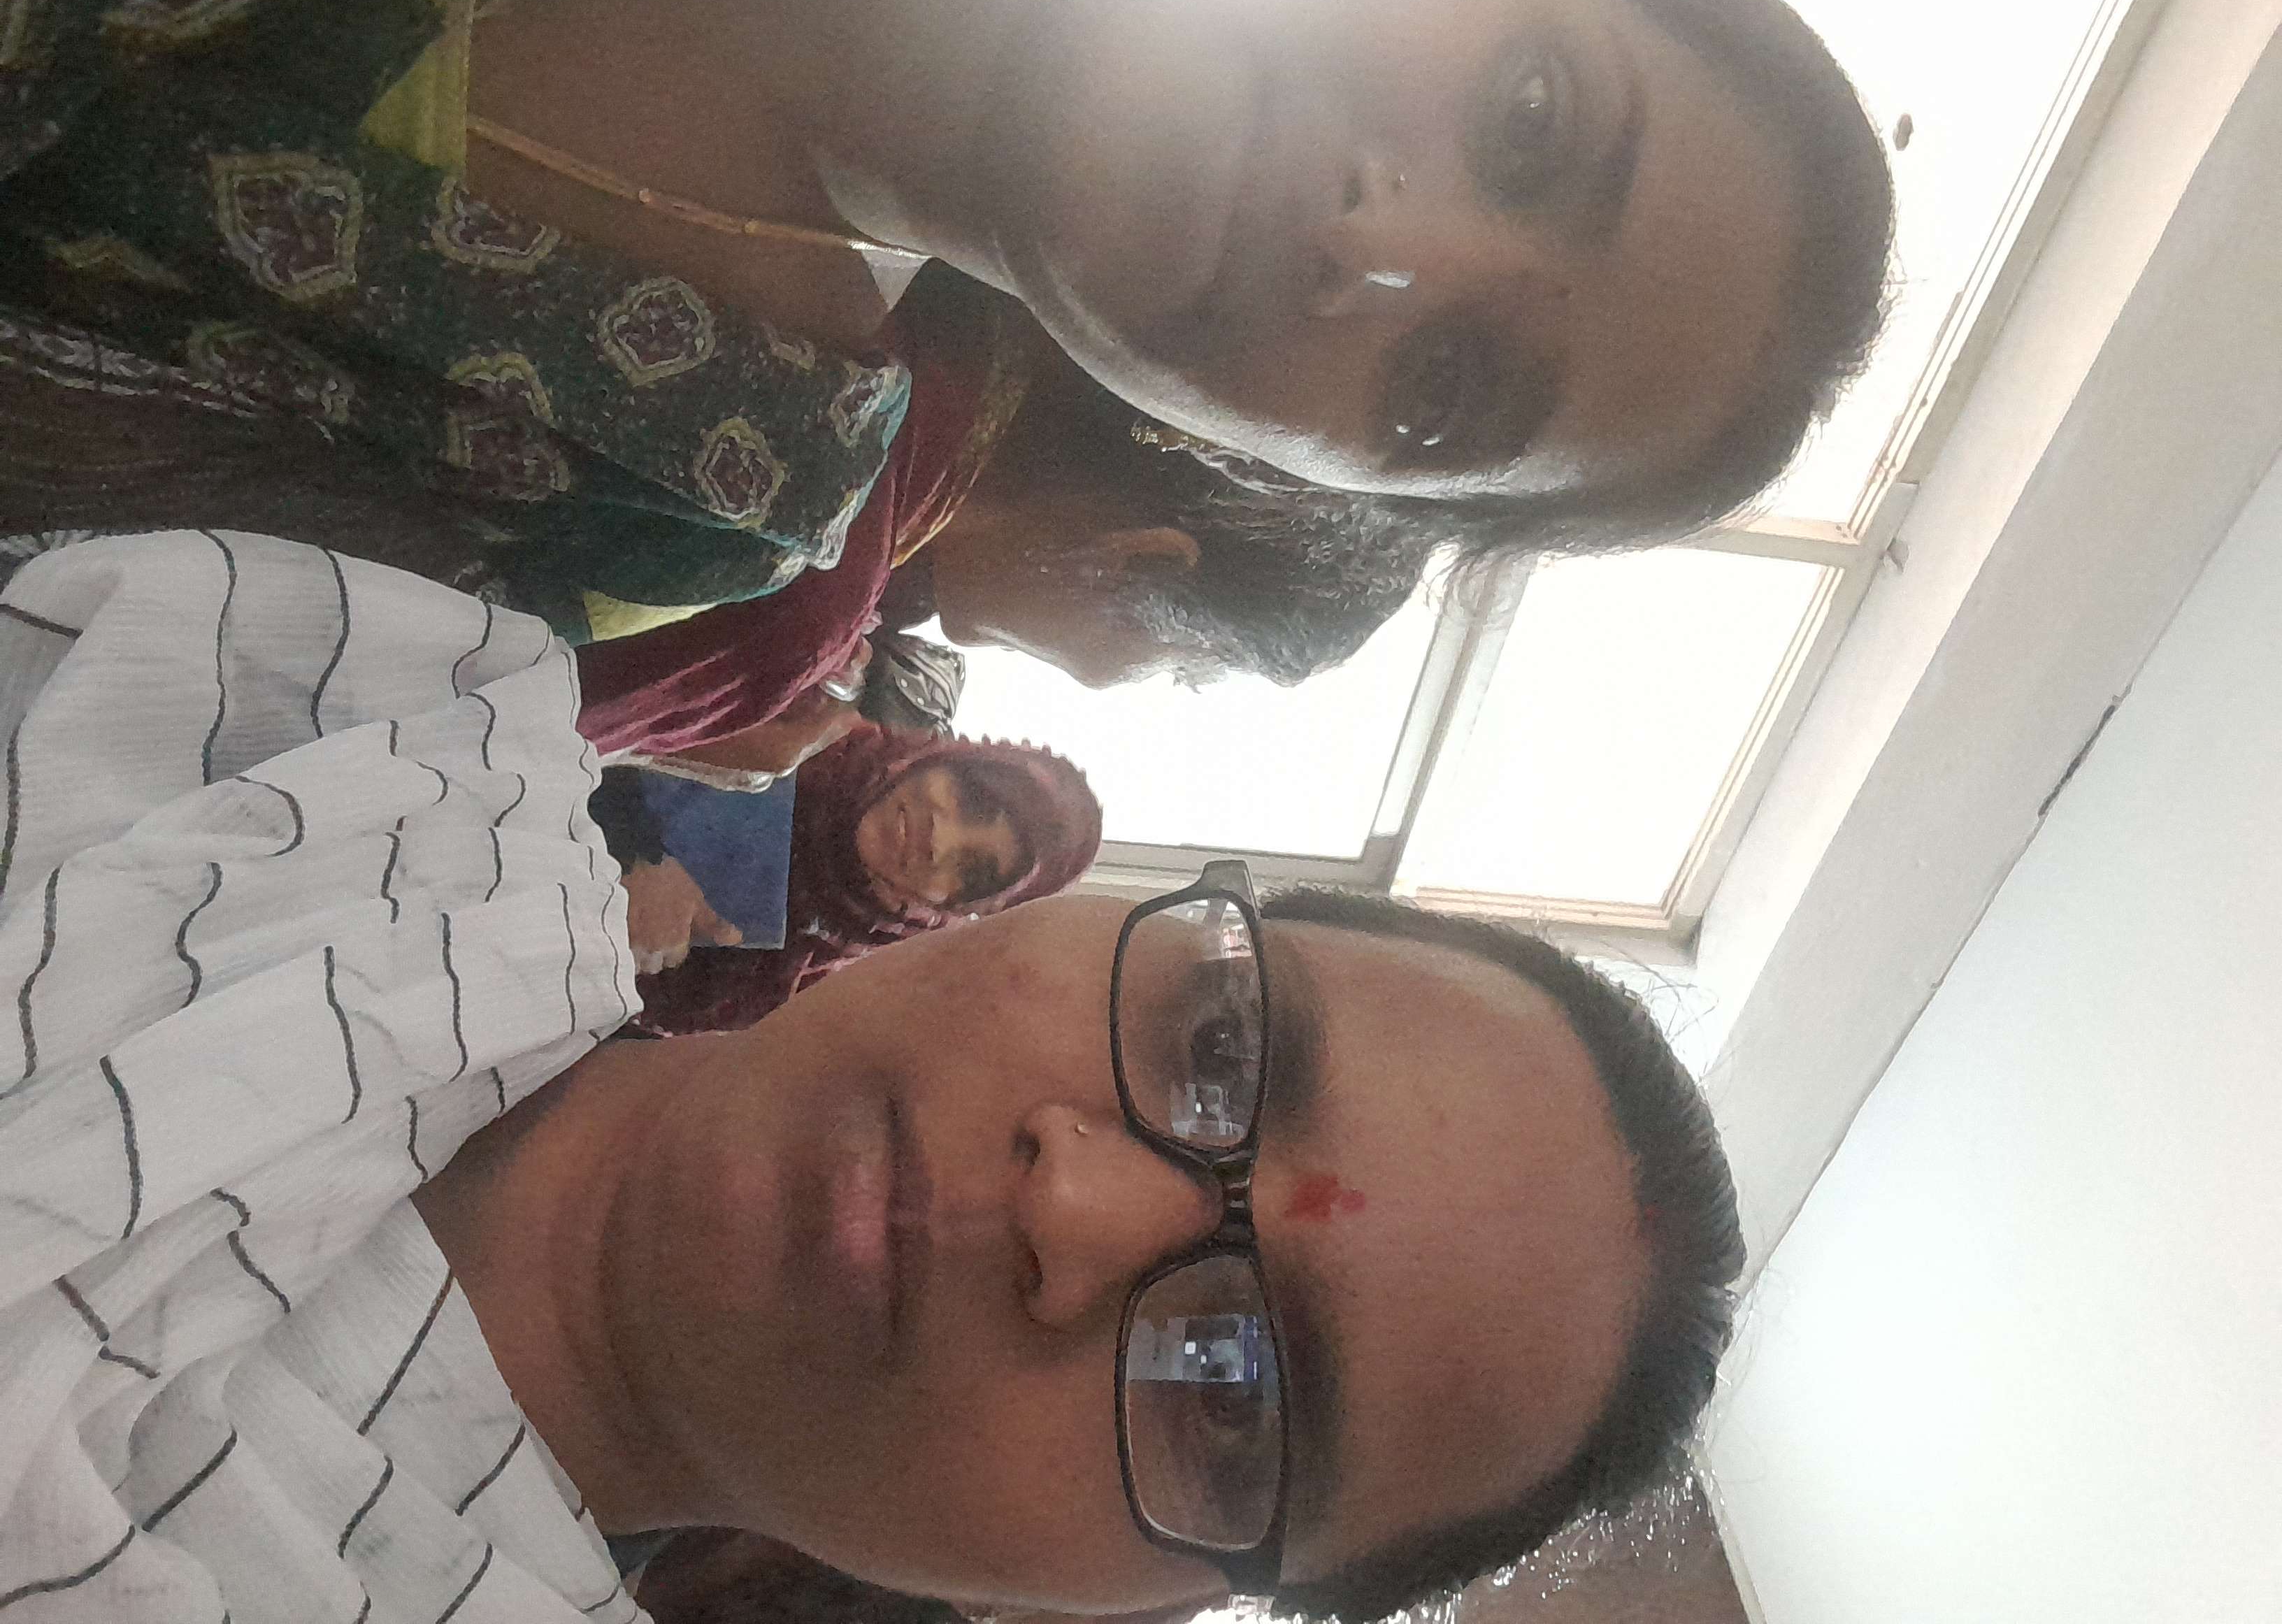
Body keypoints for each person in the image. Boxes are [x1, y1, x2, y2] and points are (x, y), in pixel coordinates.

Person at [0, 531, 1742, 1624]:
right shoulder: (397, 715)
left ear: (1110, 1609)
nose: (1081, 1202)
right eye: (1222, 1044)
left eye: (1232, 1392)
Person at [0, 0, 1892, 635]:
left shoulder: (686, 485)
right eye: (1533, 112)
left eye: (1445, 390)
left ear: (1283, 477)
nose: (1375, 248)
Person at [577, 285, 1442, 761]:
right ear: (1140, 562)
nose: (1103, 683)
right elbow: (499, 747)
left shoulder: (931, 277)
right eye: (1181, 667)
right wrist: (697, 727)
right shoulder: (796, 608)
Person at [598, 725, 1104, 1032]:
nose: (940, 840)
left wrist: (626, 952)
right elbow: (600, 709)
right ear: (951, 760)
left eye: (970, 871)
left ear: (952, 908)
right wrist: (632, 849)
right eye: (972, 800)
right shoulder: (802, 720)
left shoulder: (791, 986)